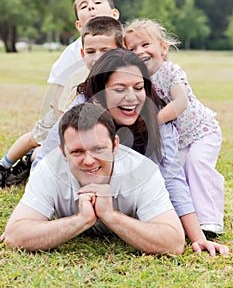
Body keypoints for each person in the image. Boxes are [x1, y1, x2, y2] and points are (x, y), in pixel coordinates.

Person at [32, 49, 229, 256]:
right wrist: (31, 220)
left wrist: (198, 238)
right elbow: (47, 157)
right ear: (100, 92)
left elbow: (172, 177)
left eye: (138, 87)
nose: (131, 98)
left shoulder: (158, 120)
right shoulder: (81, 111)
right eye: (119, 89)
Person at [3, 103, 185, 254]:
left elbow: (173, 242)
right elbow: (15, 235)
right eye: (77, 151)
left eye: (98, 149)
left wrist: (111, 215)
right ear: (63, 152)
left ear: (115, 145)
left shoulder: (143, 171)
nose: (89, 161)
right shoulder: (49, 169)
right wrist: (80, 220)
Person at [0, 0, 120, 188]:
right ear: (78, 25)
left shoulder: (119, 41)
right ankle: (5, 165)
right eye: (84, 5)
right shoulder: (74, 54)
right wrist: (62, 124)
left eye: (97, 2)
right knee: (38, 136)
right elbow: (60, 94)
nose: (91, 6)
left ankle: (32, 158)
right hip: (62, 105)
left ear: (115, 15)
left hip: (92, 105)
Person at [124, 19, 225, 237]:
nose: (139, 52)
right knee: (173, 174)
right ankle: (182, 218)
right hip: (176, 138)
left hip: (201, 132)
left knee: (198, 166)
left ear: (163, 48)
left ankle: (210, 221)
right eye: (132, 49)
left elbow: (180, 102)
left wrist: (153, 121)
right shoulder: (138, 79)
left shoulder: (171, 71)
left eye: (145, 45)